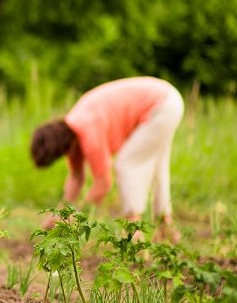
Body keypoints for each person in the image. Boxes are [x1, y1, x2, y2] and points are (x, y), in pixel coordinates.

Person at [30, 77, 185, 243]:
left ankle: (134, 230)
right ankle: (166, 227)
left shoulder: (88, 133)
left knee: (126, 163)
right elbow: (76, 178)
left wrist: (75, 217)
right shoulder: (71, 130)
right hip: (167, 99)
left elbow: (103, 183)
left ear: (61, 149)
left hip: (161, 105)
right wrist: (59, 215)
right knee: (157, 166)